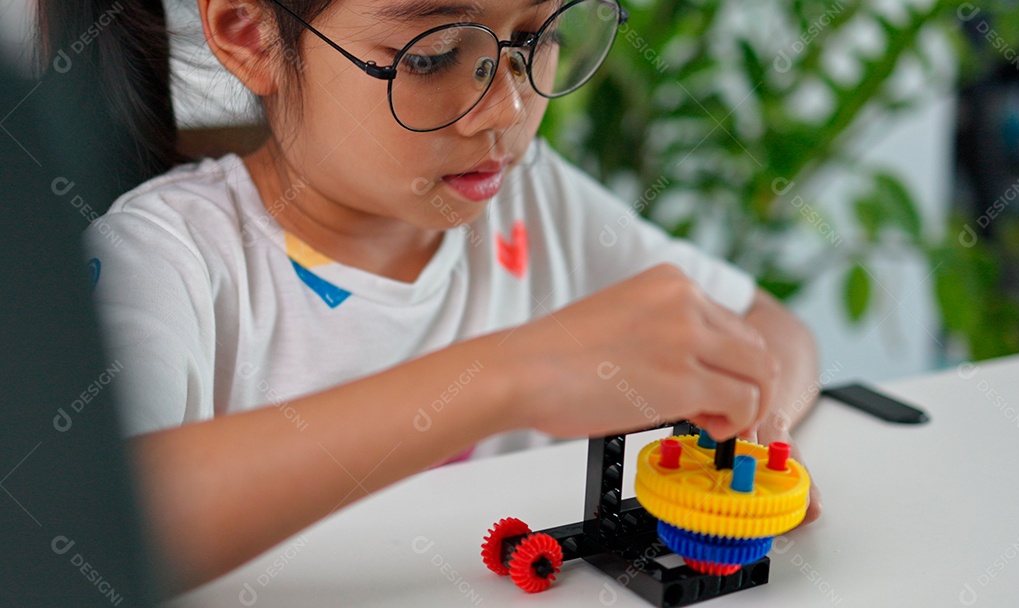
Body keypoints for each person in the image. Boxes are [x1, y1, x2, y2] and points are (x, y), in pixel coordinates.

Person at [75, 0, 822, 594]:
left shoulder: (534, 198)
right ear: (252, 35)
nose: (507, 109)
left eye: (535, 36)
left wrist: (751, 437)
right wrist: (513, 375)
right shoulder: (166, 258)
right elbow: (89, 524)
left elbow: (769, 326)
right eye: (432, 55)